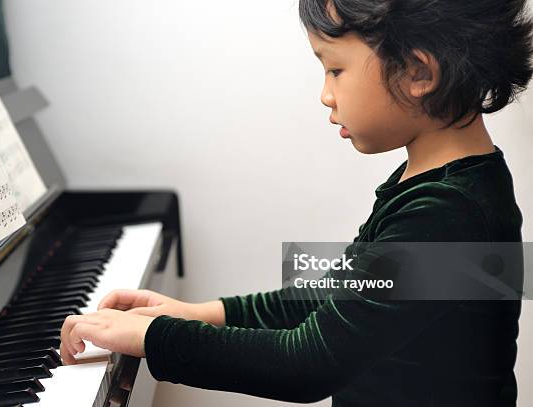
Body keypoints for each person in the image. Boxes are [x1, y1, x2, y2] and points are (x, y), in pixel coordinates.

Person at [60, 1, 533, 405]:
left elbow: (307, 363)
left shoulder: (448, 211)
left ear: (418, 72)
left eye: (335, 69)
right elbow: (329, 300)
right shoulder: (442, 185)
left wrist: (150, 338)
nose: (325, 95)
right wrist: (192, 312)